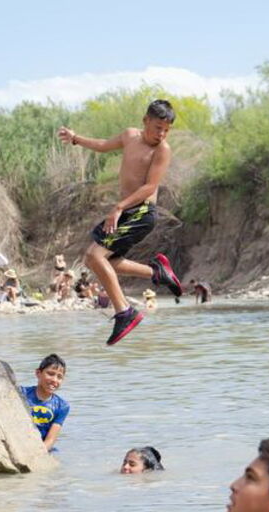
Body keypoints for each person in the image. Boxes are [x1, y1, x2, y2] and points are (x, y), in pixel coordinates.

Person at [58, 99, 184, 345]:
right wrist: (76, 138)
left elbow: (150, 186)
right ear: (145, 120)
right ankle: (157, 271)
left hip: (141, 211)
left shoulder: (162, 150)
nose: (162, 134)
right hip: (128, 211)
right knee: (107, 261)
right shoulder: (129, 136)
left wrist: (118, 207)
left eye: (166, 130)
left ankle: (124, 312)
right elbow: (104, 145)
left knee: (95, 256)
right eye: (158, 127)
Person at [19, 354, 70, 452]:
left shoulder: (62, 406)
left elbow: (50, 439)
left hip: (43, 447)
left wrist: (38, 453)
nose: (54, 380)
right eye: (50, 374)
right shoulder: (21, 393)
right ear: (38, 373)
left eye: (59, 377)